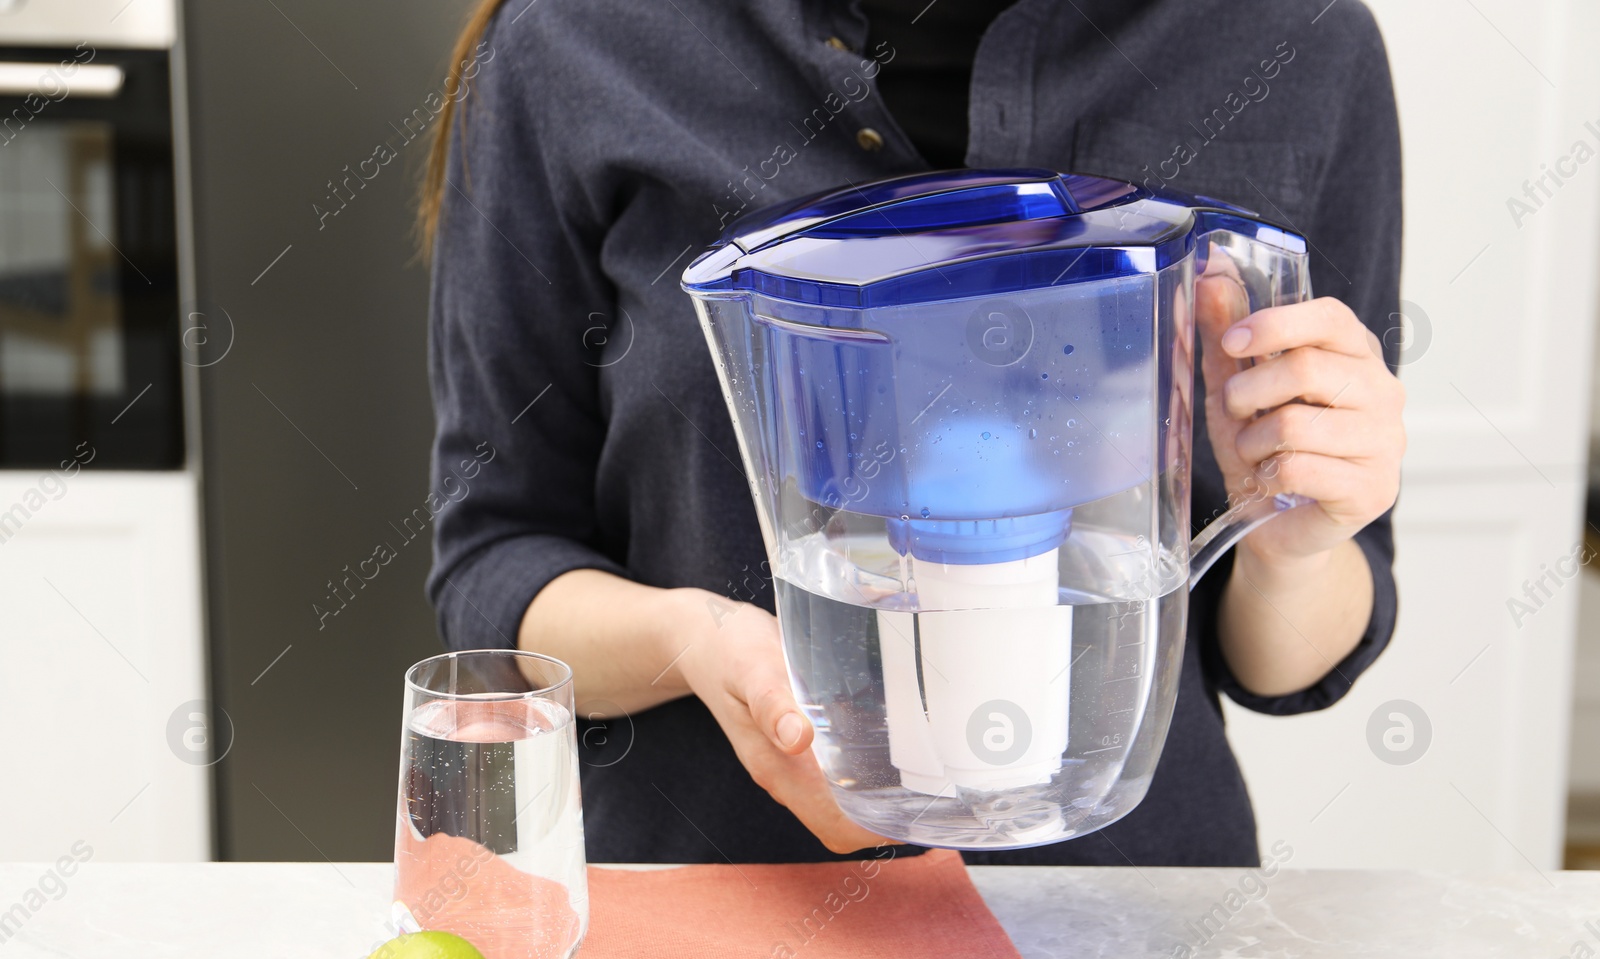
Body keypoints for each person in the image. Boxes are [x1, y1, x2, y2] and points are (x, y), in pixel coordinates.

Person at [419, 0, 1406, 867]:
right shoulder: (575, 41)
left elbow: (1288, 662)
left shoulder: (1291, 38)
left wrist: (1287, 545)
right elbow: (495, 560)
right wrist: (695, 643)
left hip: (1133, 928)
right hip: (721, 910)